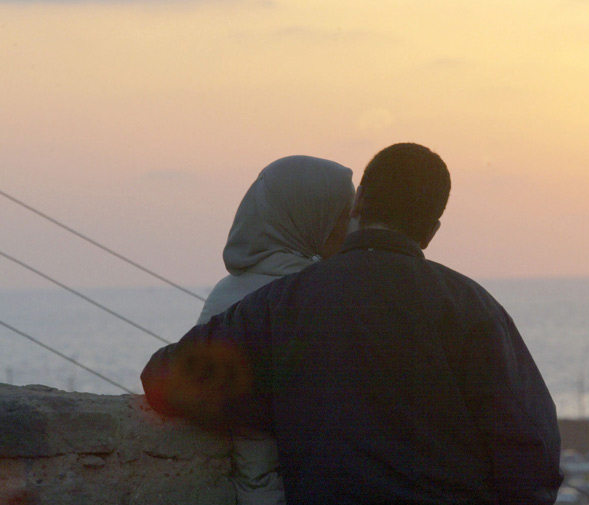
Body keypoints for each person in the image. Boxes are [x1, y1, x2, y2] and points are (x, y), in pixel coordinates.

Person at [142, 143, 563, 504]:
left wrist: (271, 398)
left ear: (359, 201)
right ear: (431, 231)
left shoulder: (281, 304)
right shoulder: (474, 309)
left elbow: (164, 378)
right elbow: (532, 446)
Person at [198, 155, 355, 505]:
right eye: (341, 216)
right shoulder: (301, 295)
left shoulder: (233, 292)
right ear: (308, 219)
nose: (349, 229)